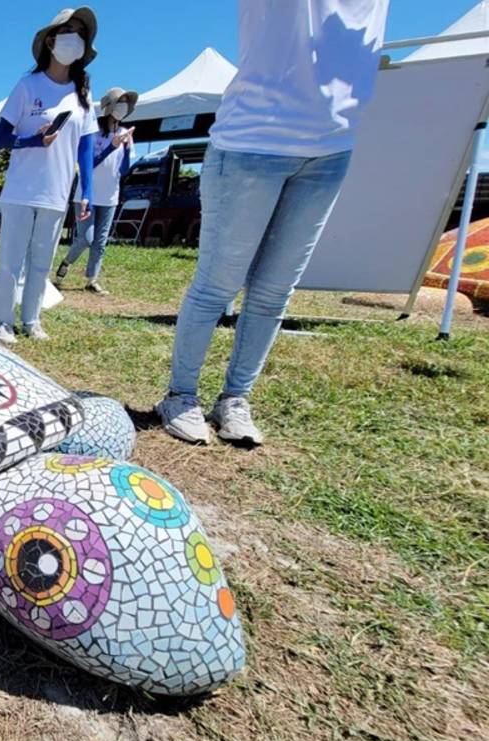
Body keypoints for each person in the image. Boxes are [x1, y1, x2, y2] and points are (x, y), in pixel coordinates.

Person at [156, 0, 389, 447]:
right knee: (217, 284)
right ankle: (181, 395)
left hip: (331, 150)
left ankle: (235, 399)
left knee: (274, 291)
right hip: (251, 143)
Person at [0, 7, 98, 344]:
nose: (75, 37)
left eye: (81, 32)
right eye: (69, 30)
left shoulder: (84, 95)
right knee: (11, 261)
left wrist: (87, 191)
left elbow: (86, 148)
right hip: (22, 190)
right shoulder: (27, 85)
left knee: (41, 263)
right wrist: (34, 139)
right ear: (50, 40)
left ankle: (31, 320)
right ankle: (1, 321)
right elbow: (0, 138)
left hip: (56, 191)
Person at [54, 86, 138, 295]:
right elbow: (87, 164)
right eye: (120, 102)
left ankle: (92, 279)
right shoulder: (93, 132)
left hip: (110, 196)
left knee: (100, 242)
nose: (123, 107)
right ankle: (66, 262)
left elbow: (125, 170)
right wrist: (111, 146)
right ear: (109, 106)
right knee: (86, 238)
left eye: (126, 103)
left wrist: (126, 148)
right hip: (86, 195)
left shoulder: (124, 133)